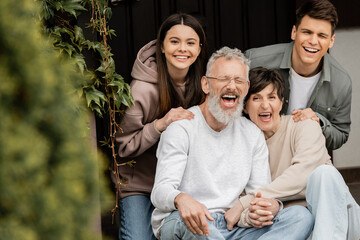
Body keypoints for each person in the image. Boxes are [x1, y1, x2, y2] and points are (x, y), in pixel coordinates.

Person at [150, 47, 313, 240]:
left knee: (299, 217)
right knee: (193, 223)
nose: (232, 86)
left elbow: (259, 193)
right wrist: (181, 199)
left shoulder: (252, 133)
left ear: (245, 87)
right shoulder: (182, 128)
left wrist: (265, 208)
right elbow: (160, 192)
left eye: (238, 80)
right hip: (187, 221)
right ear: (206, 84)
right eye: (223, 79)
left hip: (233, 226)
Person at [236, 67, 360, 239]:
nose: (265, 105)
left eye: (271, 97)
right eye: (256, 98)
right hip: (296, 225)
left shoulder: (304, 125)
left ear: (281, 102)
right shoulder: (243, 146)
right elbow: (236, 199)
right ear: (245, 107)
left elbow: (303, 174)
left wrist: (247, 201)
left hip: (341, 224)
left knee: (324, 173)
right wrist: (248, 215)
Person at [115, 13, 208, 240]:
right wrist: (160, 124)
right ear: (162, 47)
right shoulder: (142, 89)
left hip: (183, 184)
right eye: (174, 41)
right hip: (141, 185)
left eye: (190, 43)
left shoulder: (204, 84)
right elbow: (123, 148)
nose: (182, 49)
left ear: (199, 49)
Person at [244, 0, 352, 150]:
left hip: (305, 155)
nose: (313, 41)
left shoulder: (341, 82)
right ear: (294, 32)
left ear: (331, 40)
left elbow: (341, 134)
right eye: (307, 32)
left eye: (322, 36)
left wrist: (318, 122)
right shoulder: (253, 61)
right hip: (255, 149)